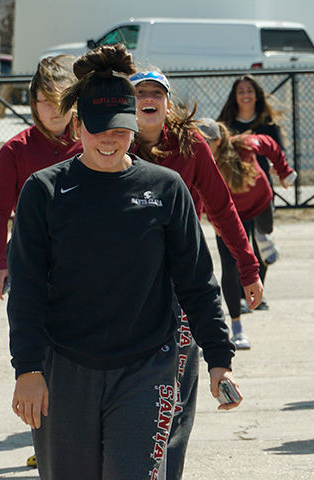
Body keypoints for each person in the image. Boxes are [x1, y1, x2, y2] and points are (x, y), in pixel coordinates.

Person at [7, 44, 241, 480]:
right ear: (77, 126)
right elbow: (26, 288)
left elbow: (196, 281)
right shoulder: (44, 191)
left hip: (147, 366)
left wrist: (218, 358)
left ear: (134, 125)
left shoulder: (166, 188)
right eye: (98, 129)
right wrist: (29, 368)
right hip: (66, 368)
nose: (109, 140)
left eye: (120, 128)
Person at [128, 70, 261, 480]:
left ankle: (167, 470)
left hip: (180, 279)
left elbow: (222, 207)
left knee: (178, 385)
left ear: (169, 104)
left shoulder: (190, 144)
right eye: (139, 92)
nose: (148, 98)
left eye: (157, 93)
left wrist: (248, 265)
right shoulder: (113, 141)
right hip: (126, 282)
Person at [0, 56, 80, 301]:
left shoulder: (92, 145)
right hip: (29, 260)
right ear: (34, 104)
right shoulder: (14, 151)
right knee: (31, 337)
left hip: (82, 261)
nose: (56, 109)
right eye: (47, 101)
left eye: (62, 100)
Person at [197, 117, 296, 350]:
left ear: (218, 141)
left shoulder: (242, 144)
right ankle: (237, 328)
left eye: (203, 142)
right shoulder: (200, 162)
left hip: (260, 202)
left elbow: (270, 144)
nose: (198, 147)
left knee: (265, 231)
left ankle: (263, 238)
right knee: (229, 268)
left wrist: (284, 170)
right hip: (229, 217)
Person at [218, 75, 289, 280]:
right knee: (240, 242)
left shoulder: (267, 123)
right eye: (241, 91)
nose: (245, 95)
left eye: (249, 90)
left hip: (261, 190)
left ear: (256, 95)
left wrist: (281, 170)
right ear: (235, 97)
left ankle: (258, 292)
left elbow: (278, 153)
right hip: (234, 191)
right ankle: (241, 295)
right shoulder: (226, 124)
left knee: (262, 239)